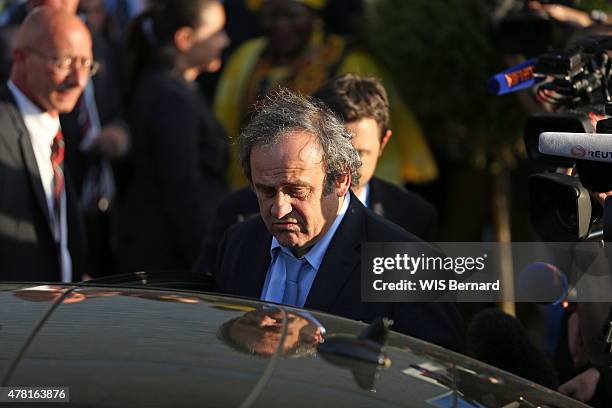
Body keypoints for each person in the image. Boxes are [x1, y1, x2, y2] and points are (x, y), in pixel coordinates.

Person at [211, 88, 463, 351]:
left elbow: (435, 375)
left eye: (297, 191)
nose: (279, 209)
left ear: (341, 180)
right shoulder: (239, 243)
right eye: (266, 191)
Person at [214, 0, 438, 190]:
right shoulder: (248, 57)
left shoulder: (349, 63)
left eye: (292, 16)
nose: (281, 25)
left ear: (314, 17)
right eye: (272, 15)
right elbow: (224, 125)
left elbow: (368, 142)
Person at [117, 0, 230, 272]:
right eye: (216, 32)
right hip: (169, 263)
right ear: (185, 39)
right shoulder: (170, 97)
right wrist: (207, 262)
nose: (225, 40)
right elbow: (182, 188)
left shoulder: (176, 87)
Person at [0, 6, 93, 281]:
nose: (78, 80)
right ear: (20, 58)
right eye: (63, 63)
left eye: (86, 64)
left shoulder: (61, 129)